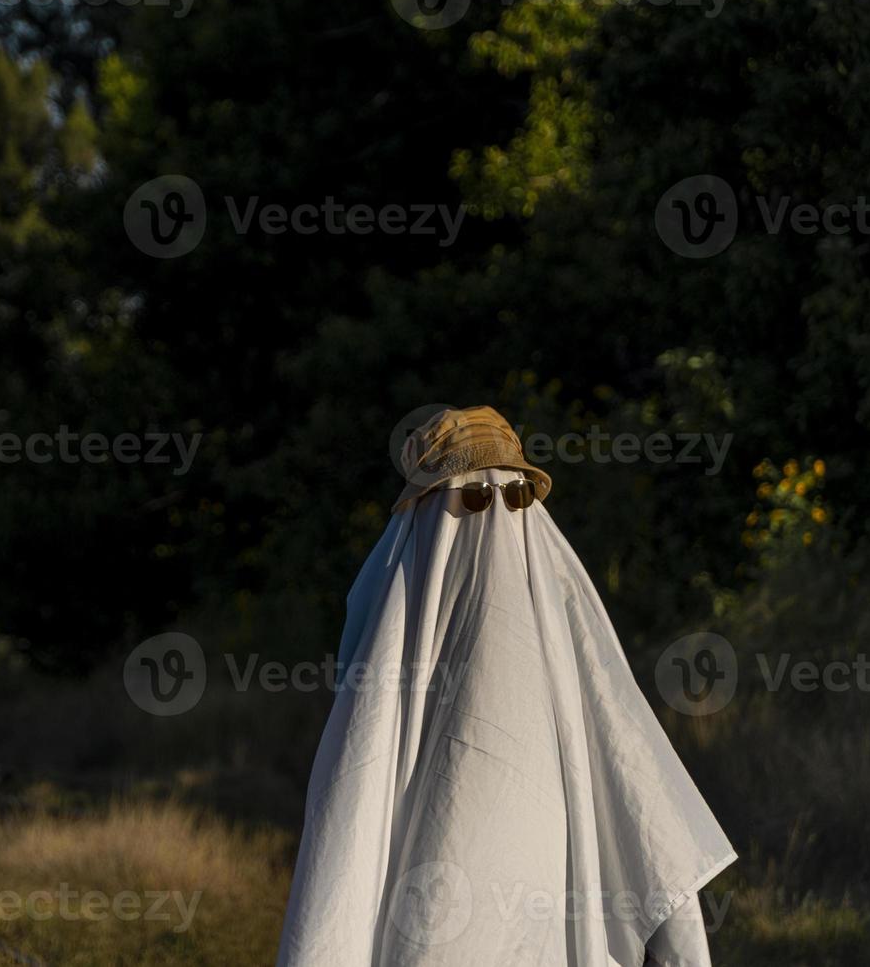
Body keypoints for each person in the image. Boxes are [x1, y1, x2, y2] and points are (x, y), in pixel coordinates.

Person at [277, 406, 735, 966]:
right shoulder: (399, 617)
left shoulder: (549, 606)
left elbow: (629, 772)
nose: (494, 509)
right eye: (470, 498)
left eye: (513, 496)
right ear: (427, 508)